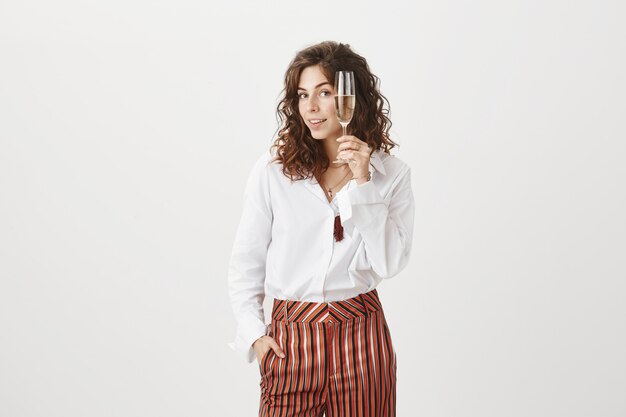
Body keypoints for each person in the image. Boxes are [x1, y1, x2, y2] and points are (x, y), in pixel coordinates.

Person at [227, 41, 415, 417]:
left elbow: (390, 262)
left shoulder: (390, 175)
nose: (310, 107)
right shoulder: (274, 171)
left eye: (324, 93)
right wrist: (256, 336)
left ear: (352, 98)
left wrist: (364, 185)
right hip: (290, 339)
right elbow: (245, 263)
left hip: (361, 334)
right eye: (302, 95)